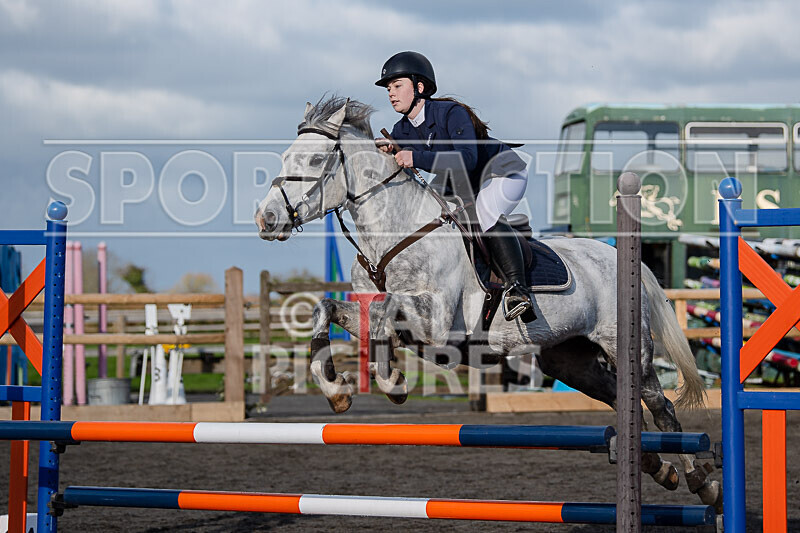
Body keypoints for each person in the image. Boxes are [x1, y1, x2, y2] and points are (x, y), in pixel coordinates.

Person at [375, 51, 535, 322]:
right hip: (464, 183)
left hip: (502, 171)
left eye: (397, 85)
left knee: (484, 213)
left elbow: (468, 159)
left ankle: (518, 290)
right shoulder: (400, 129)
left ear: (419, 87)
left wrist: (415, 157)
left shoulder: (451, 113)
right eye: (388, 88)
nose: (391, 93)